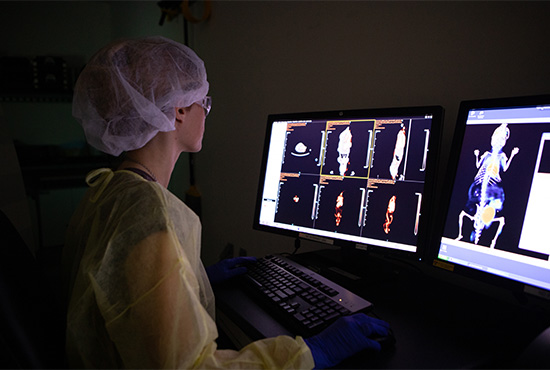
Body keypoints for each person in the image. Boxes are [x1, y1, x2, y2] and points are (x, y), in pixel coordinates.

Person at [62, 36, 390, 369]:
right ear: (179, 110)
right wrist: (311, 352)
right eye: (204, 102)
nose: (206, 112)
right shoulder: (147, 211)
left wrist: (190, 277)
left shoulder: (109, 188)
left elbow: (123, 287)